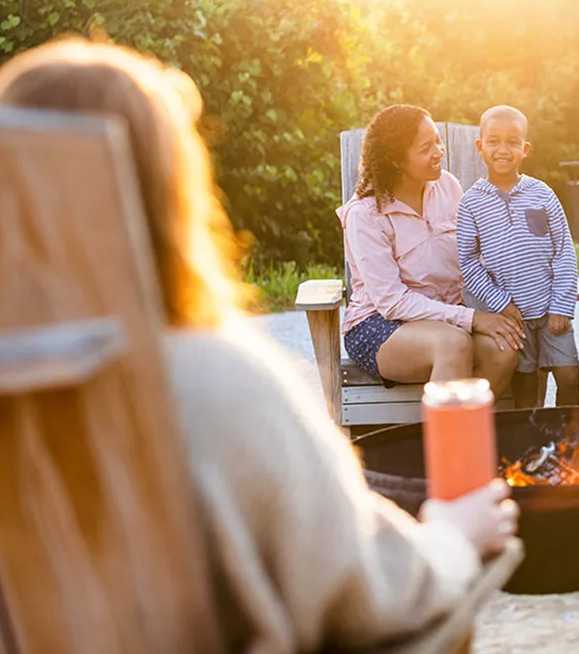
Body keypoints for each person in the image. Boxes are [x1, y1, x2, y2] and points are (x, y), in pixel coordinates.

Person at [0, 39, 520, 651]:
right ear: (169, 188)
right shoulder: (214, 383)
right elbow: (372, 591)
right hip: (389, 329)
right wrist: (451, 536)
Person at [339, 104, 523, 397]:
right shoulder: (366, 214)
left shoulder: (447, 186)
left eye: (438, 140)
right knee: (453, 344)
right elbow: (391, 302)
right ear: (396, 160)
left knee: (503, 348)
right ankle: (445, 443)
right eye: (426, 147)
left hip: (448, 315)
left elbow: (473, 254)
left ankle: (467, 436)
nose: (439, 151)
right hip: (380, 325)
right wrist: (473, 319)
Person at [458, 105, 579, 408]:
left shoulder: (541, 194)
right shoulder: (471, 204)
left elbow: (564, 250)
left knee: (569, 376)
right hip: (513, 316)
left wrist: (562, 305)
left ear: (525, 149)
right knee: (525, 384)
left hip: (551, 308)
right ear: (480, 147)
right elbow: (469, 263)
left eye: (513, 142)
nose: (503, 149)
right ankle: (533, 444)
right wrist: (501, 303)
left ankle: (569, 437)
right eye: (494, 141)